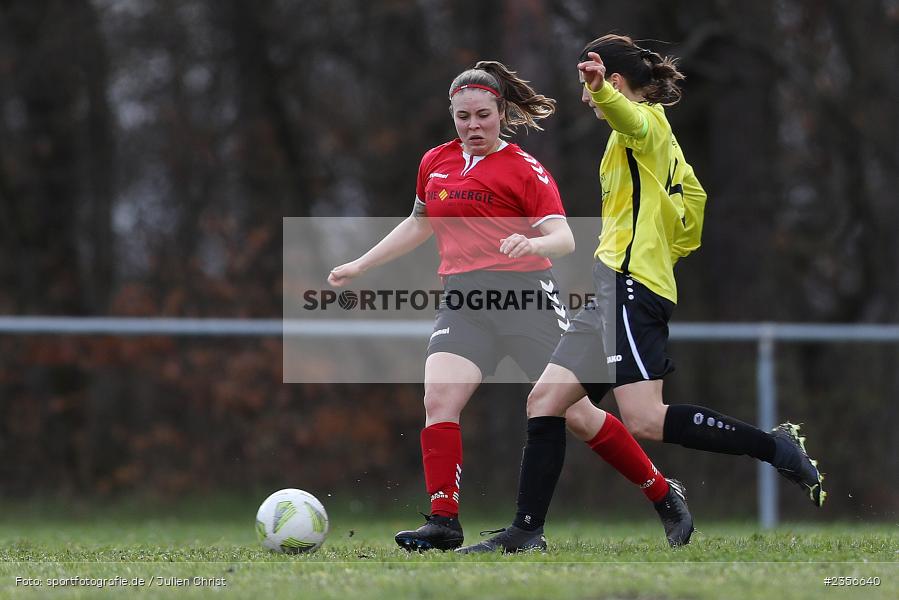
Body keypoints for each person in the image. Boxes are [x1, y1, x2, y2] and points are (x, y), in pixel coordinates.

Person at [458, 35, 825, 554]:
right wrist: (657, 253)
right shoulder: (656, 140)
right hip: (616, 284)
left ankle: (775, 446)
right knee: (545, 400)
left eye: (593, 83)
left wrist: (604, 94)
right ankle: (525, 532)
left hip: (629, 287)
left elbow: (628, 119)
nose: (586, 96)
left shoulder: (643, 122)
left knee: (647, 419)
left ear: (612, 79)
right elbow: (692, 209)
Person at [328, 60, 694, 551]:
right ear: (452, 115)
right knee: (439, 399)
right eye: (463, 117)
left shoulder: (525, 170)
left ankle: (662, 492)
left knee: (578, 415)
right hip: (462, 299)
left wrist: (533, 245)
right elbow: (419, 223)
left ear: (501, 113)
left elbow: (564, 238)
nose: (472, 126)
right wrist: (360, 265)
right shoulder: (435, 162)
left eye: (482, 115)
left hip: (526, 300)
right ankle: (443, 521)